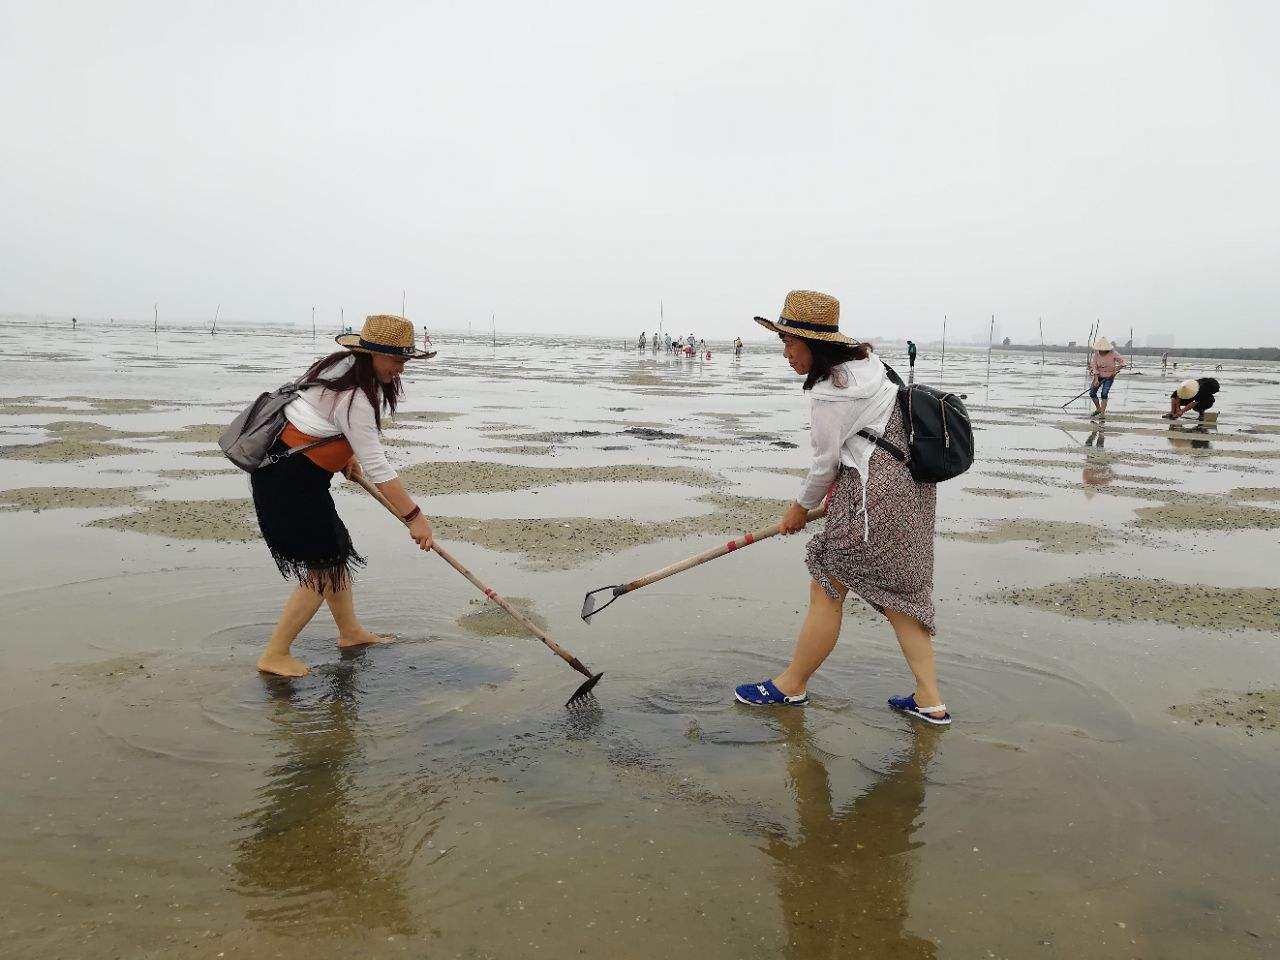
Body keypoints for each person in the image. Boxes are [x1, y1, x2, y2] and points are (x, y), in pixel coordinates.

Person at [734, 290, 948, 725]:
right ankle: (930, 700)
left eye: (790, 345)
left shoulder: (833, 391)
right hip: (910, 492)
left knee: (827, 584)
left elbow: (824, 464)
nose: (787, 355)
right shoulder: (870, 366)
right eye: (783, 344)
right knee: (902, 596)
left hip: (873, 497)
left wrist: (799, 508)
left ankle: (791, 685)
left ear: (815, 345)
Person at [251, 314, 435, 678]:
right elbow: (379, 466)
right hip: (287, 479)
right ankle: (275, 654)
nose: (401, 369)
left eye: (404, 361)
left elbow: (316, 417)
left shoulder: (342, 367)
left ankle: (350, 633)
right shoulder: (356, 397)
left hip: (296, 472)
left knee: (335, 550)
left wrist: (343, 456)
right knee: (321, 568)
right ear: (372, 354)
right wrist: (415, 519)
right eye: (397, 360)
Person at [1087, 337, 1127, 419]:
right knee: (1092, 393)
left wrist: (1115, 370)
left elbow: (1123, 362)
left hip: (1109, 377)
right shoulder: (1096, 355)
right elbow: (1094, 367)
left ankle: (1102, 413)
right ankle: (1098, 409)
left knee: (1104, 393)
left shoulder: (1113, 353)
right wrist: (1096, 379)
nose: (1102, 351)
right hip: (1098, 376)